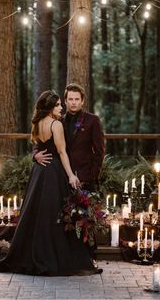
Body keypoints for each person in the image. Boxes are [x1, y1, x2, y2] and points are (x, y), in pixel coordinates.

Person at [0, 90, 100, 276]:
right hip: (53, 171)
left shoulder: (37, 124)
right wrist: (70, 175)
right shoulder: (56, 125)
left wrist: (37, 156)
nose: (62, 107)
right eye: (58, 105)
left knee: (37, 214)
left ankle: (34, 254)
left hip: (39, 173)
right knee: (55, 215)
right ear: (50, 108)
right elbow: (62, 153)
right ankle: (54, 256)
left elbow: (38, 145)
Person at [34, 83, 105, 263]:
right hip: (60, 177)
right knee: (65, 220)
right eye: (70, 99)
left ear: (82, 101)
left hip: (83, 177)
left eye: (77, 99)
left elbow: (99, 152)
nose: (73, 103)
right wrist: (35, 155)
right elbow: (41, 144)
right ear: (65, 101)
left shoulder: (92, 120)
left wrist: (91, 176)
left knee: (85, 218)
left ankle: (89, 256)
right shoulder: (57, 120)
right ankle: (69, 257)